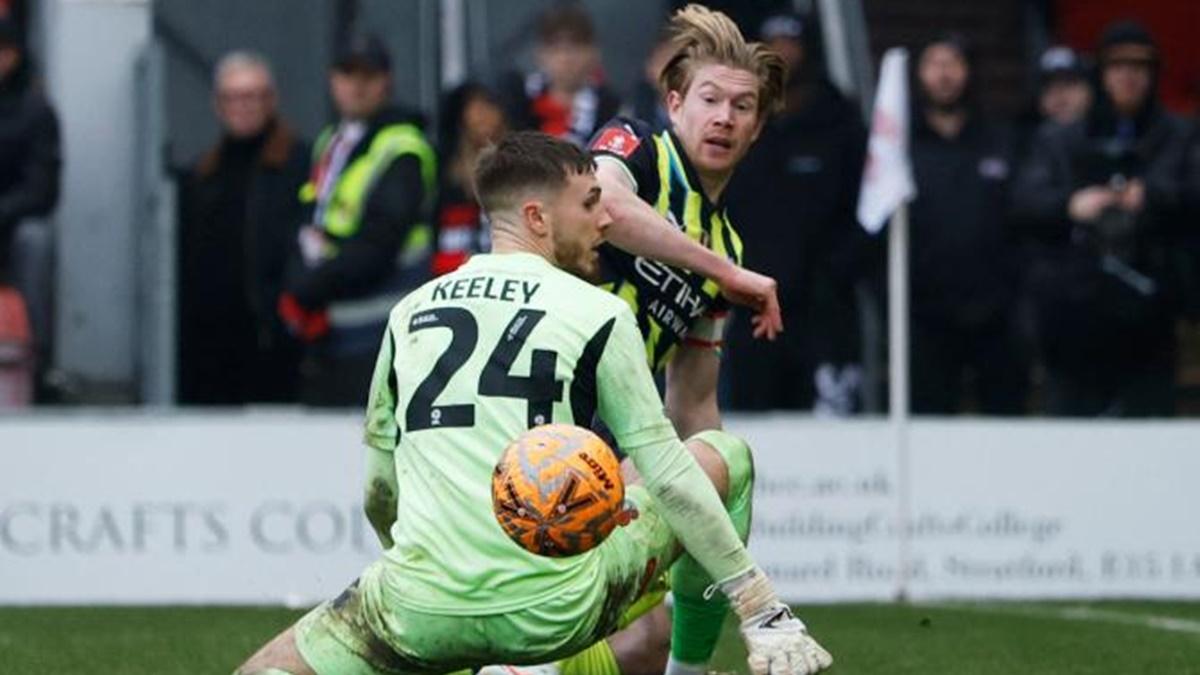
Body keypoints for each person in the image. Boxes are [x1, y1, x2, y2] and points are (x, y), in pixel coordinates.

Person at [234, 132, 832, 675]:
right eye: (591, 202)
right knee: (722, 457)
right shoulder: (599, 311)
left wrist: (438, 568)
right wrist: (759, 606)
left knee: (264, 670)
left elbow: (378, 493)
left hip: (414, 606)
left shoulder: (407, 312)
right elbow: (669, 475)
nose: (606, 219)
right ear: (537, 217)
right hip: (554, 608)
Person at [1011, 21, 1200, 416]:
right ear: (1101, 73)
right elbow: (1024, 200)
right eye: (1118, 66)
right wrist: (1073, 204)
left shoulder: (1180, 137)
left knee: (1147, 439)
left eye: (1139, 66)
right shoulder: (1062, 139)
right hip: (1075, 314)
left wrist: (1150, 198)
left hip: (1151, 312)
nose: (1128, 77)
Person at [725, 11, 873, 414]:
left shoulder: (841, 122)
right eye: (773, 44)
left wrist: (836, 272)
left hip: (824, 310)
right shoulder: (736, 122)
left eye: (792, 43)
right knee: (748, 423)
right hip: (751, 306)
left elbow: (866, 210)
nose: (783, 54)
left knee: (833, 420)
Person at [279, 33, 436, 407]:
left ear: (387, 81)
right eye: (348, 74)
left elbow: (380, 241)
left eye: (369, 75)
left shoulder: (403, 147)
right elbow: (313, 216)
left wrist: (310, 285)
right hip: (333, 325)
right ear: (333, 81)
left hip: (382, 326)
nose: (358, 85)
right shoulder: (332, 141)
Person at [904, 33, 1027, 415]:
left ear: (969, 73)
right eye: (934, 64)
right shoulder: (899, 148)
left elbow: (1022, 217)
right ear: (919, 74)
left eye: (953, 63)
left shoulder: (1001, 140)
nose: (944, 75)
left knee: (1005, 423)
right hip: (925, 314)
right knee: (928, 426)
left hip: (997, 314)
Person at [178, 51, 308, 405]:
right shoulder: (202, 175)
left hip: (277, 342)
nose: (243, 106)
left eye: (253, 95)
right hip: (211, 347)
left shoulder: (301, 164)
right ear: (217, 104)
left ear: (272, 100)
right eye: (233, 97)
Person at [0, 15, 59, 398]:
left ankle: (37, 361)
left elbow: (42, 189)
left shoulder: (35, 110)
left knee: (35, 240)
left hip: (11, 225)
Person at [500, 2, 620, 147]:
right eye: (556, 48)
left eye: (575, 47)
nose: (565, 58)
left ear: (593, 53)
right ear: (540, 54)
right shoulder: (518, 102)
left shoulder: (610, 108)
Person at [432, 82, 506, 277]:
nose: (480, 114)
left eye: (488, 105)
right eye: (472, 107)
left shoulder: (525, 169)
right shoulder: (447, 173)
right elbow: (441, 248)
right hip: (453, 274)